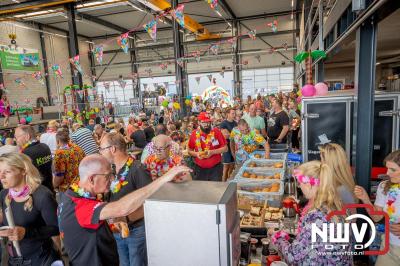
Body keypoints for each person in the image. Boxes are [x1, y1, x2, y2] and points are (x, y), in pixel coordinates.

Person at [58, 154, 191, 265]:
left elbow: (83, 228)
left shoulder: (70, 195)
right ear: (92, 179)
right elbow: (123, 208)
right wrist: (164, 179)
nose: (111, 179)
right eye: (108, 175)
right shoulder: (79, 206)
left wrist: (111, 223)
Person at [271, 160, 352, 265]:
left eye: (300, 183)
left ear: (309, 184)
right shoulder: (339, 206)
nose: (299, 187)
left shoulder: (316, 217)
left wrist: (278, 237)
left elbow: (292, 256)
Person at [99, 133, 152, 266]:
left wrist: (126, 218)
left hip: (136, 231)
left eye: (101, 149)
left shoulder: (138, 169)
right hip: (116, 230)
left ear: (112, 149)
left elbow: (149, 204)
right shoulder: (111, 171)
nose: (100, 152)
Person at [0, 153, 60, 265]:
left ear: (23, 171)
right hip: (14, 259)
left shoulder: (42, 195)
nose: (1, 176)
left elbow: (57, 228)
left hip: (39, 259)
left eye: (7, 172)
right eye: (0, 171)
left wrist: (26, 233)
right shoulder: (4, 194)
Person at [354, 150, 400, 266]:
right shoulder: (384, 186)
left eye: (393, 170)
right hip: (389, 247)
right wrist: (365, 199)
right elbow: (377, 217)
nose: (388, 173)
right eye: (387, 168)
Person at [188, 112, 227, 181]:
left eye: (208, 122)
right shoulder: (194, 134)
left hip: (216, 169)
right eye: (204, 122)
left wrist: (212, 152)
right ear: (199, 122)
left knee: (216, 190)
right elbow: (189, 150)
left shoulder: (216, 131)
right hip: (200, 170)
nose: (206, 125)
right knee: (202, 190)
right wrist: (196, 154)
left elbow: (225, 148)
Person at [15, 125, 53, 191]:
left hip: (36, 193)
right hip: (49, 188)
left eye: (16, 137)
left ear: (27, 136)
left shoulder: (25, 154)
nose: (15, 140)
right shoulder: (45, 146)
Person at [219, 108, 237, 181]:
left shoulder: (235, 123)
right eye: (232, 113)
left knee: (232, 166)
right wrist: (233, 136)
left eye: (234, 113)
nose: (234, 115)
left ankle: (229, 181)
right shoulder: (224, 123)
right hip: (226, 147)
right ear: (228, 114)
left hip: (233, 147)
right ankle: (223, 183)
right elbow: (225, 135)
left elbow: (234, 135)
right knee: (226, 167)